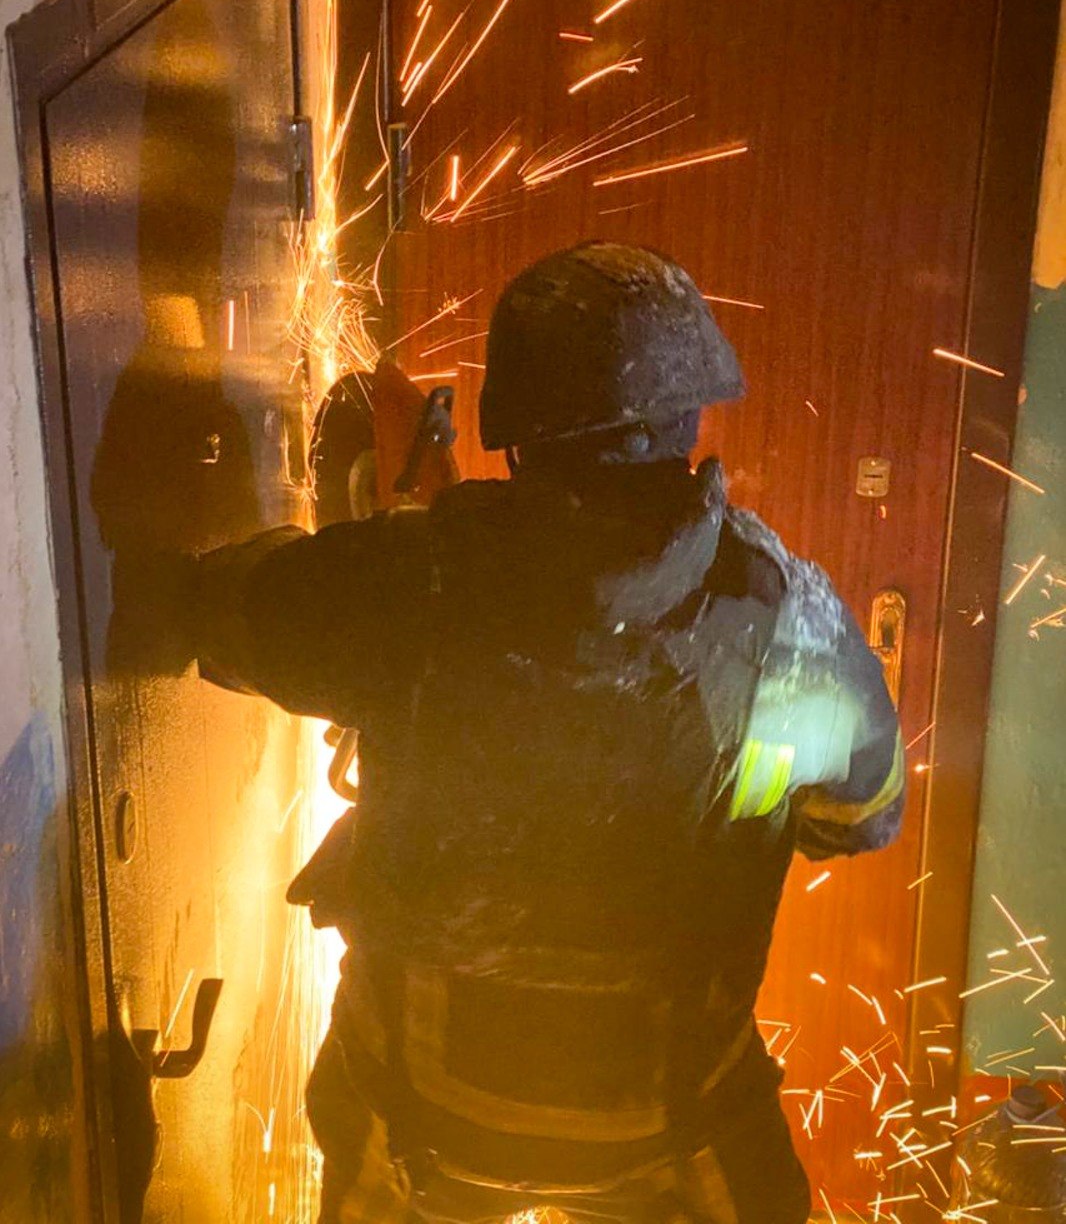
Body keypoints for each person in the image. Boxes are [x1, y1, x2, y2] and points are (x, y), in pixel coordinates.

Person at [192, 242, 904, 1224]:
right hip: (672, 1136)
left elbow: (230, 617)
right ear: (689, 418)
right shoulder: (788, 619)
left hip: (421, 1118)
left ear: (516, 433)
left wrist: (340, 561)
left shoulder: (414, 577)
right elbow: (862, 816)